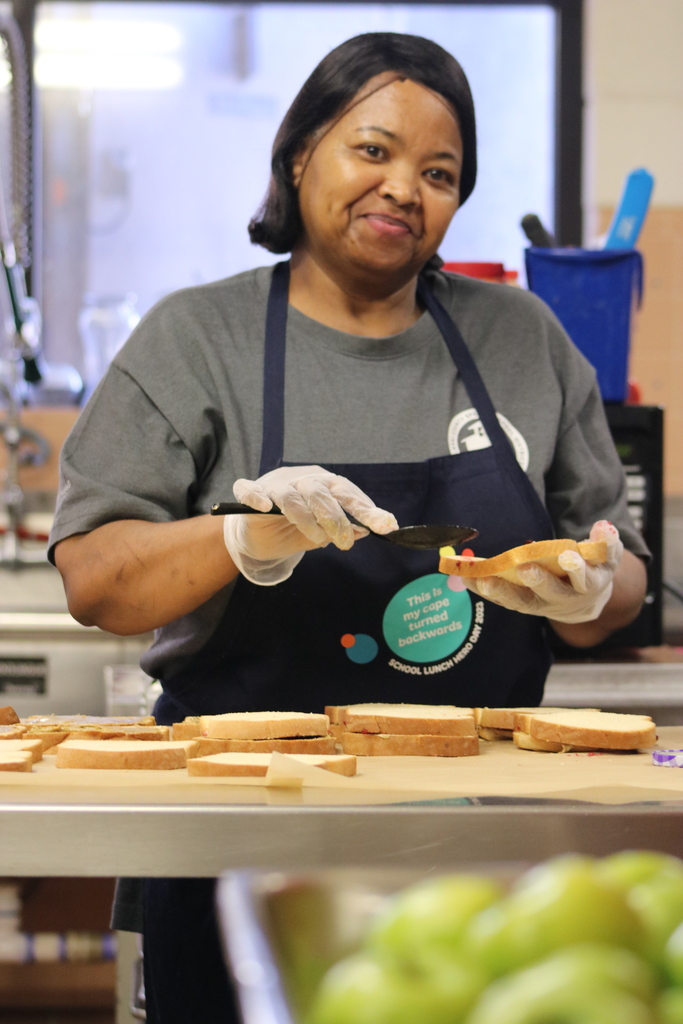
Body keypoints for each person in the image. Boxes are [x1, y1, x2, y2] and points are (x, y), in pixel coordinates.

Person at [50, 31, 648, 1024]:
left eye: (438, 171)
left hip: (480, 842)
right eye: (371, 150)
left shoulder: (520, 338)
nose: (403, 187)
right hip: (239, 836)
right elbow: (95, 581)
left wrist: (592, 586)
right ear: (299, 154)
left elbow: (611, 575)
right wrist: (238, 538)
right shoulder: (200, 339)